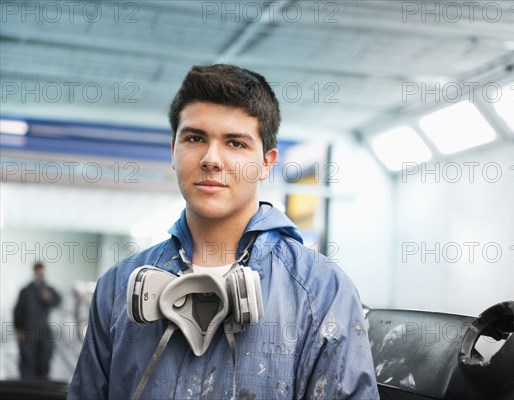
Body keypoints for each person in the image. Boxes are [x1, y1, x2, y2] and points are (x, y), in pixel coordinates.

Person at [69, 64, 379, 399]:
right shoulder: (118, 285)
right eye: (195, 138)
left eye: (235, 143)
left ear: (266, 163)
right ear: (173, 150)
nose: (211, 159)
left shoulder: (322, 291)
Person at [13, 261, 62, 380]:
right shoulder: (26, 291)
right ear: (34, 271)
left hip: (44, 330)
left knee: (44, 359)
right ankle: (27, 390)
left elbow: (58, 300)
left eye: (42, 270)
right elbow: (18, 311)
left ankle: (42, 388)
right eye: (38, 270)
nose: (40, 273)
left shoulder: (48, 290)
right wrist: (18, 329)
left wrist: (49, 297)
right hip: (28, 330)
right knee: (27, 360)